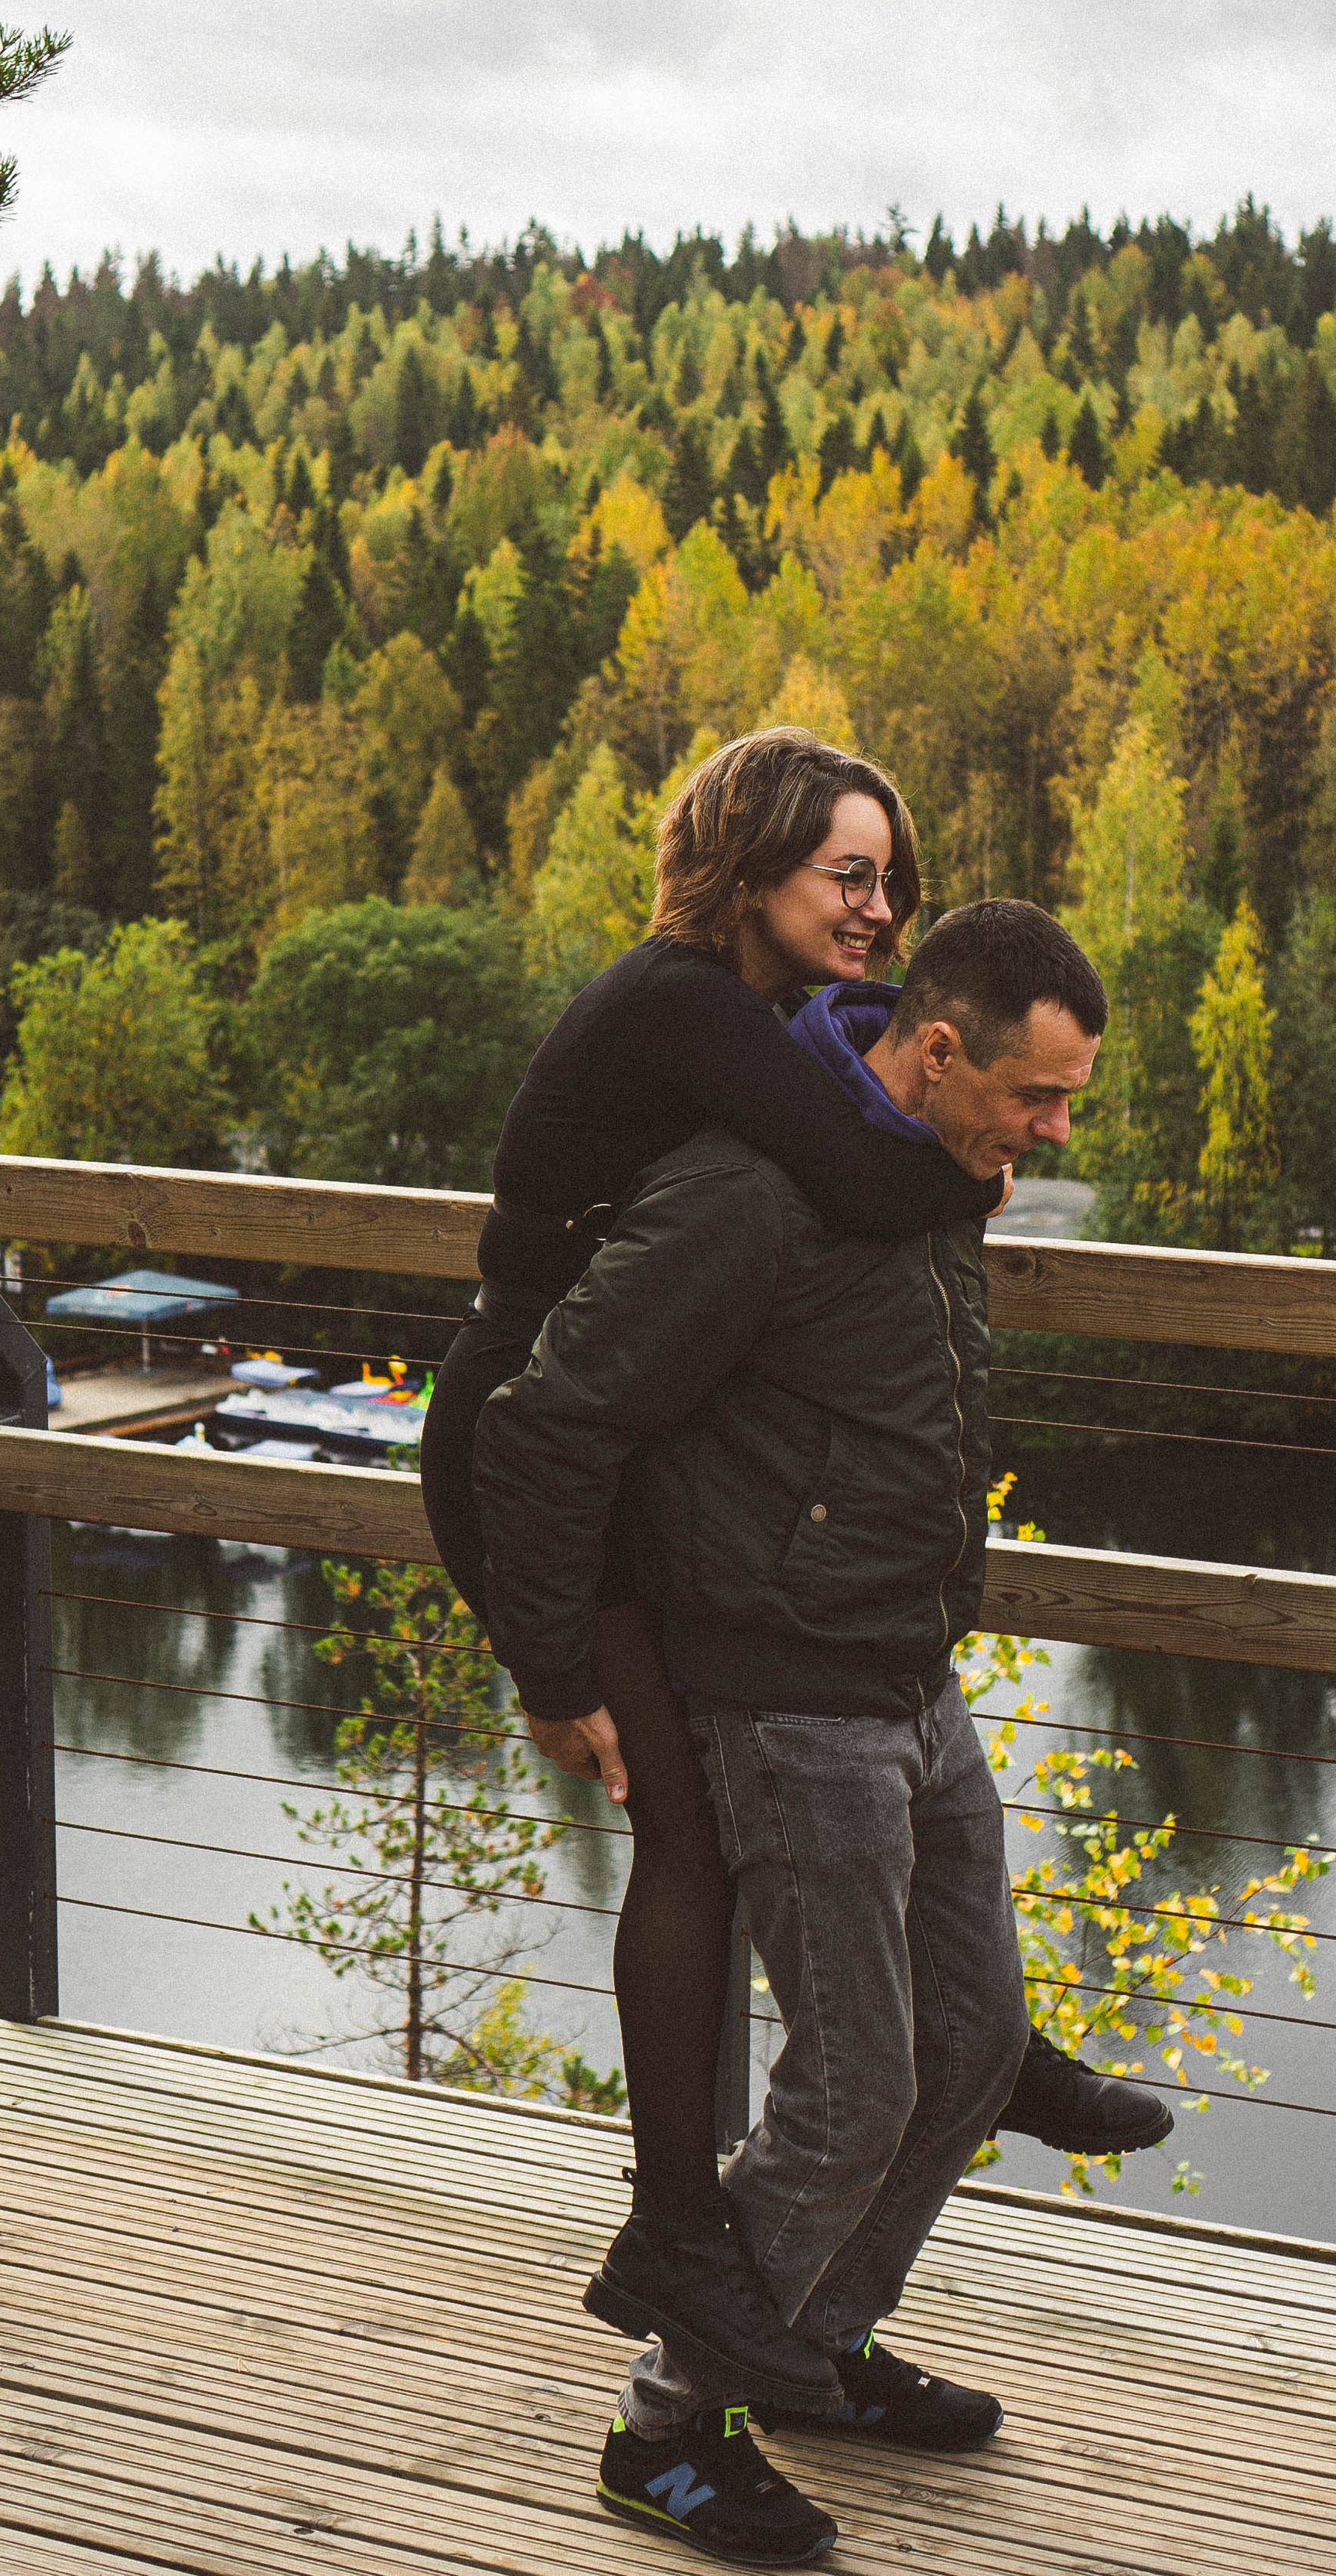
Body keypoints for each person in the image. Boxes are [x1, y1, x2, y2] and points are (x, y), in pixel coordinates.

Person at [474, 902, 1123, 2565]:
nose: (1050, 1137)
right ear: (931, 1052)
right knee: (851, 2084)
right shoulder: (750, 1195)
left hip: (909, 1676)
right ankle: (672, 2424)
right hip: (783, 1697)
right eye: (1033, 1100)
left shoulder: (921, 1184)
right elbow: (546, 1425)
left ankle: (814, 2342)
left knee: (971, 2044)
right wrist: (557, 1675)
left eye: (1066, 1104)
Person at [421, 727, 1009, 2414]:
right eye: (846, 871)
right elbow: (848, 1174)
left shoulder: (737, 1018)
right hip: (531, 1440)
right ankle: (678, 2232)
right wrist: (552, 1671)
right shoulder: (683, 998)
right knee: (683, 1836)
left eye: (889, 877)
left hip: (597, 1433)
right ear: (747, 866)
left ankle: (729, 2232)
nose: (877, 906)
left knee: (698, 1845)